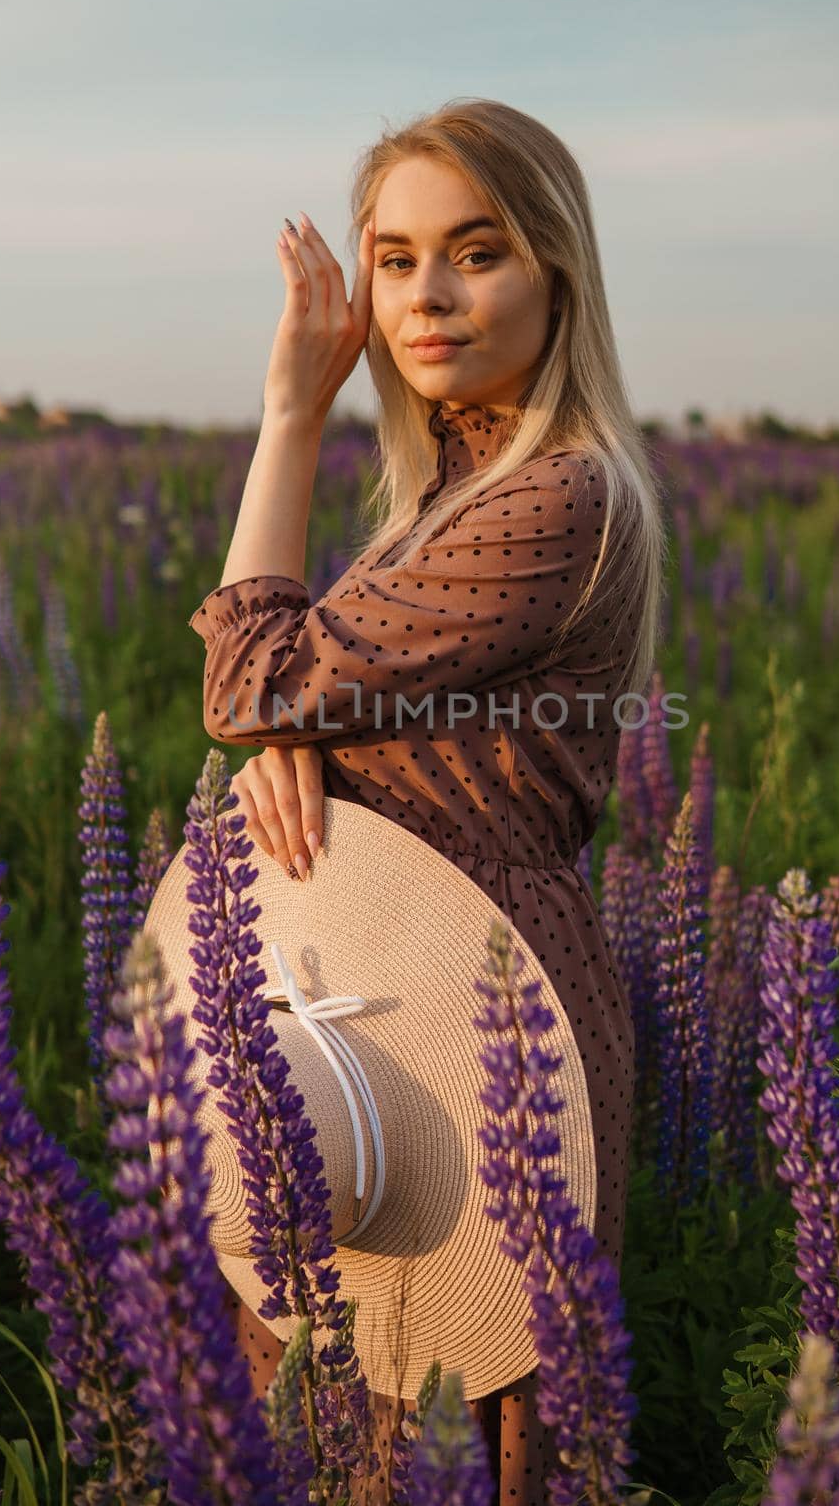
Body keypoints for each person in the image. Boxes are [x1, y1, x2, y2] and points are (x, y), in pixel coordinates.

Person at [187, 96, 666, 1506]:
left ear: (557, 270)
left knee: (449, 1433)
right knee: (326, 1411)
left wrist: (288, 411)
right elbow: (275, 701)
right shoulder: (449, 492)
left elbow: (247, 680)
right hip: (368, 993)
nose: (426, 296)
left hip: (484, 1016)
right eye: (393, 259)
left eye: (477, 250)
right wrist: (301, 745)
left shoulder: (553, 501)